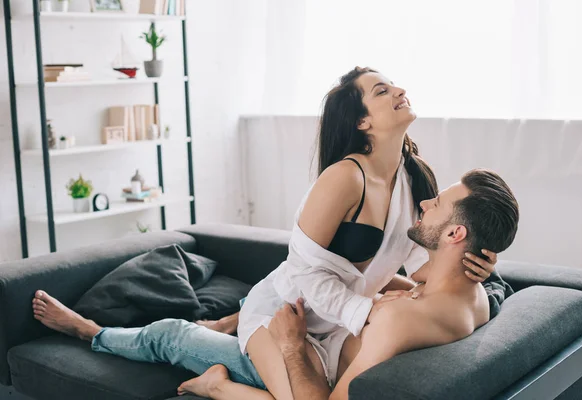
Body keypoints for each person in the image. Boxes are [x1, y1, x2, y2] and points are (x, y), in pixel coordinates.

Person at [31, 67, 499, 398]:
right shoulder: (344, 178)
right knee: (176, 337)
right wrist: (370, 310)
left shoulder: (418, 178)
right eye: (382, 90)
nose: (398, 89)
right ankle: (91, 330)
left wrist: (471, 268)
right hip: (286, 310)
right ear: (362, 122)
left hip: (336, 326)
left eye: (391, 83)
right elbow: (304, 272)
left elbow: (418, 263)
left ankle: (223, 334)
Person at [179, 168, 519, 400]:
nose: (426, 203)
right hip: (331, 335)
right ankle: (232, 324)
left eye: (438, 203)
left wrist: (291, 345)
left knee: (172, 337)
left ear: (455, 234)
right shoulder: (475, 296)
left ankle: (218, 387)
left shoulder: (400, 319)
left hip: (314, 359)